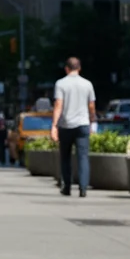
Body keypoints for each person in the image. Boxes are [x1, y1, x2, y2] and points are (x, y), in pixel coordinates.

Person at [51, 57, 96, 197]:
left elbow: (58, 104)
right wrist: (92, 121)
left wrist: (54, 125)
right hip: (83, 124)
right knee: (83, 156)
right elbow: (91, 106)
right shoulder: (87, 84)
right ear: (79, 68)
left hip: (66, 124)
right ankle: (83, 188)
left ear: (66, 68)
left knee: (65, 157)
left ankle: (67, 186)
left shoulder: (61, 83)